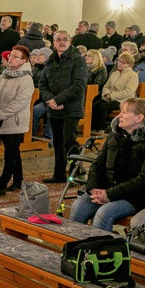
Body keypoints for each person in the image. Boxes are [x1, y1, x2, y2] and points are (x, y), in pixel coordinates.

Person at [70, 98, 145, 231]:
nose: (119, 116)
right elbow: (97, 164)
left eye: (124, 112)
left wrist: (110, 194)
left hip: (134, 197)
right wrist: (93, 188)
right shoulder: (115, 136)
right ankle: (75, 247)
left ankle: (101, 249)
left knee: (104, 213)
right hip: (106, 189)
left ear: (138, 118)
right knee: (79, 207)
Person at [39, 30, 88, 184]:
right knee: (58, 142)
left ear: (70, 41)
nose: (62, 42)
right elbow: (42, 84)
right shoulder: (51, 60)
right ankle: (59, 174)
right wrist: (51, 100)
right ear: (53, 42)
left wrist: (58, 100)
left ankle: (77, 174)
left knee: (69, 141)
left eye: (65, 39)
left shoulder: (78, 59)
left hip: (71, 107)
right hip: (54, 108)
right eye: (58, 39)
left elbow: (79, 85)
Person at [0, 45, 34, 198]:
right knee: (14, 153)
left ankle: (1, 185)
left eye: (15, 56)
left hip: (15, 122)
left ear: (23, 61)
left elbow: (19, 103)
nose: (10, 58)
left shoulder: (26, 79)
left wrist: (0, 115)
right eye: (10, 55)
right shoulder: (4, 75)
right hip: (1, 119)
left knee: (10, 155)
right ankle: (18, 181)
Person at [92, 52, 139, 131]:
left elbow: (128, 92)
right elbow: (106, 86)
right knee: (94, 104)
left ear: (129, 64)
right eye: (119, 61)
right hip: (109, 97)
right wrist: (106, 94)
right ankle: (92, 128)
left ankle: (101, 129)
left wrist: (112, 96)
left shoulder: (133, 75)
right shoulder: (114, 73)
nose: (120, 64)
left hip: (123, 100)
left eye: (123, 63)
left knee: (103, 107)